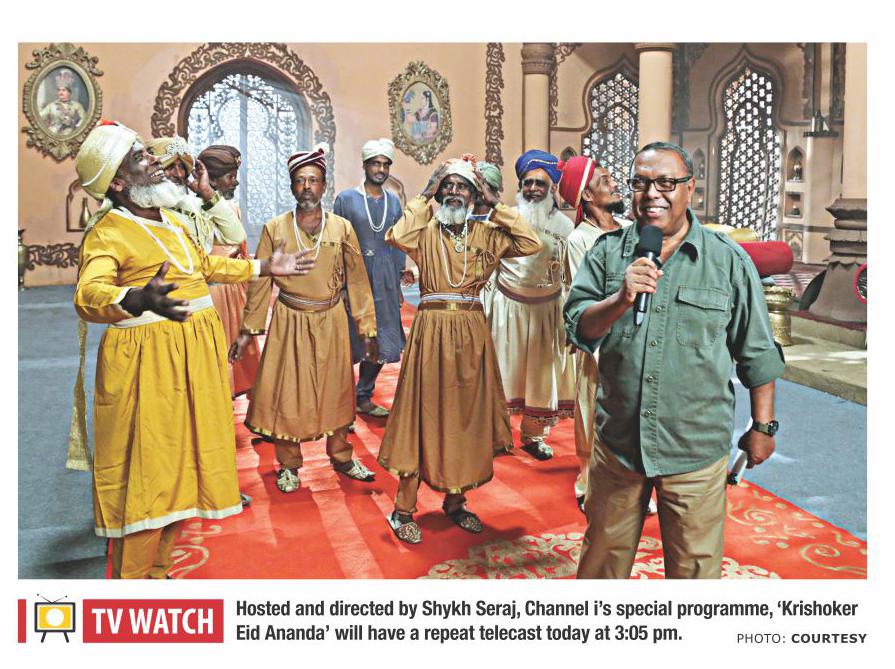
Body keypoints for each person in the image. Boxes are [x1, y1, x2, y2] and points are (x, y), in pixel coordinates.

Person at [72, 121, 315, 578]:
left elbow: (202, 265)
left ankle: (159, 572)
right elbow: (89, 294)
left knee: (185, 470)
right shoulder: (109, 231)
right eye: (141, 157)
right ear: (119, 183)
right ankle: (131, 586)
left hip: (195, 356)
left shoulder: (171, 220)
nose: (154, 161)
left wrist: (264, 266)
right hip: (150, 361)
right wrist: (136, 298)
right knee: (153, 477)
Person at [565, 142, 785, 579]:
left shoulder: (726, 260)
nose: (652, 194)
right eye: (641, 183)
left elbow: (757, 350)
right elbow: (579, 328)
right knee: (600, 567)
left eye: (666, 182)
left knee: (693, 574)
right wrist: (620, 298)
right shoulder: (608, 253)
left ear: (690, 189)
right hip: (620, 444)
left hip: (694, 448)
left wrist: (763, 427)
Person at [378, 156, 541, 544]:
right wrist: (425, 192)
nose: (453, 192)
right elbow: (396, 236)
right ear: (439, 193)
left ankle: (456, 501)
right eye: (447, 186)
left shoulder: (486, 234)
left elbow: (530, 242)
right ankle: (403, 509)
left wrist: (495, 203)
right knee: (423, 415)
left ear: (473, 196)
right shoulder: (425, 232)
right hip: (431, 330)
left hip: (471, 331)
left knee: (464, 416)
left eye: (462, 187)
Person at [230, 144, 380, 493]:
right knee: (289, 392)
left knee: (337, 389)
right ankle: (289, 464)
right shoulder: (275, 228)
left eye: (313, 180)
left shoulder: (341, 228)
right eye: (300, 181)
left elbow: (358, 281)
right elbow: (261, 282)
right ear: (292, 186)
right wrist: (248, 330)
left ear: (324, 186)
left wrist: (367, 328)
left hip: (331, 319)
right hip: (290, 320)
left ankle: (342, 456)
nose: (307, 187)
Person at [485, 150, 575, 461]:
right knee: (501, 373)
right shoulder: (504, 219)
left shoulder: (565, 227)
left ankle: (534, 436)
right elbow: (489, 264)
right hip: (506, 308)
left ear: (553, 188)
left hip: (546, 312)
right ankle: (496, 435)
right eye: (528, 182)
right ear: (520, 185)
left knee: (540, 377)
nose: (533, 188)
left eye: (540, 183)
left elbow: (568, 275)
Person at [558, 155, 628, 511]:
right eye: (604, 180)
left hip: (635, 335)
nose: (614, 184)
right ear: (586, 195)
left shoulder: (629, 228)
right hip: (600, 338)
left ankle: (630, 482)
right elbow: (582, 297)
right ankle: (589, 480)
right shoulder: (580, 240)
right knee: (594, 408)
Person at [333, 138, 406, 419]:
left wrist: (398, 280)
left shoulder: (393, 202)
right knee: (350, 338)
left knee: (383, 337)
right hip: (355, 275)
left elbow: (398, 242)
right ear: (364, 165)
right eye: (375, 163)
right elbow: (337, 242)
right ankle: (340, 403)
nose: (381, 169)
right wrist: (340, 285)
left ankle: (364, 395)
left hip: (385, 277)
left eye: (385, 164)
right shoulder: (346, 199)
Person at [195, 144, 261, 400]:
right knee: (215, 355)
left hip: (235, 291)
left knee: (238, 352)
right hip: (211, 294)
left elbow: (241, 250)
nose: (235, 182)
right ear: (211, 180)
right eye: (230, 177)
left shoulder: (231, 208)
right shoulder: (192, 210)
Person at [40, 69, 86, 135]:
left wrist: (73, 124)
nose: (60, 93)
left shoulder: (77, 106)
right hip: (53, 135)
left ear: (69, 92)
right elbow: (40, 118)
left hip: (71, 135)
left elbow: (84, 121)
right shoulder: (51, 106)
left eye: (63, 90)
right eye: (59, 90)